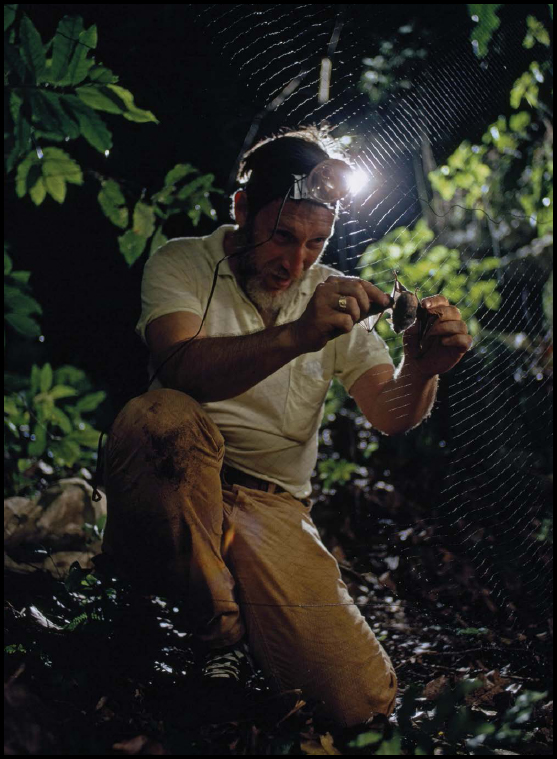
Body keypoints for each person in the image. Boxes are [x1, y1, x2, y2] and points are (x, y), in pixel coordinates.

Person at [101, 126, 472, 727]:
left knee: (361, 703)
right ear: (243, 209)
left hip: (271, 507)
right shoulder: (183, 261)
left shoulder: (332, 295)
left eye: (316, 244)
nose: (296, 262)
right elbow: (180, 368)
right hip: (180, 475)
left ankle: (242, 606)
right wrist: (296, 336)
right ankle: (214, 643)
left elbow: (390, 413)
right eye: (282, 237)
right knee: (158, 417)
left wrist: (423, 367)